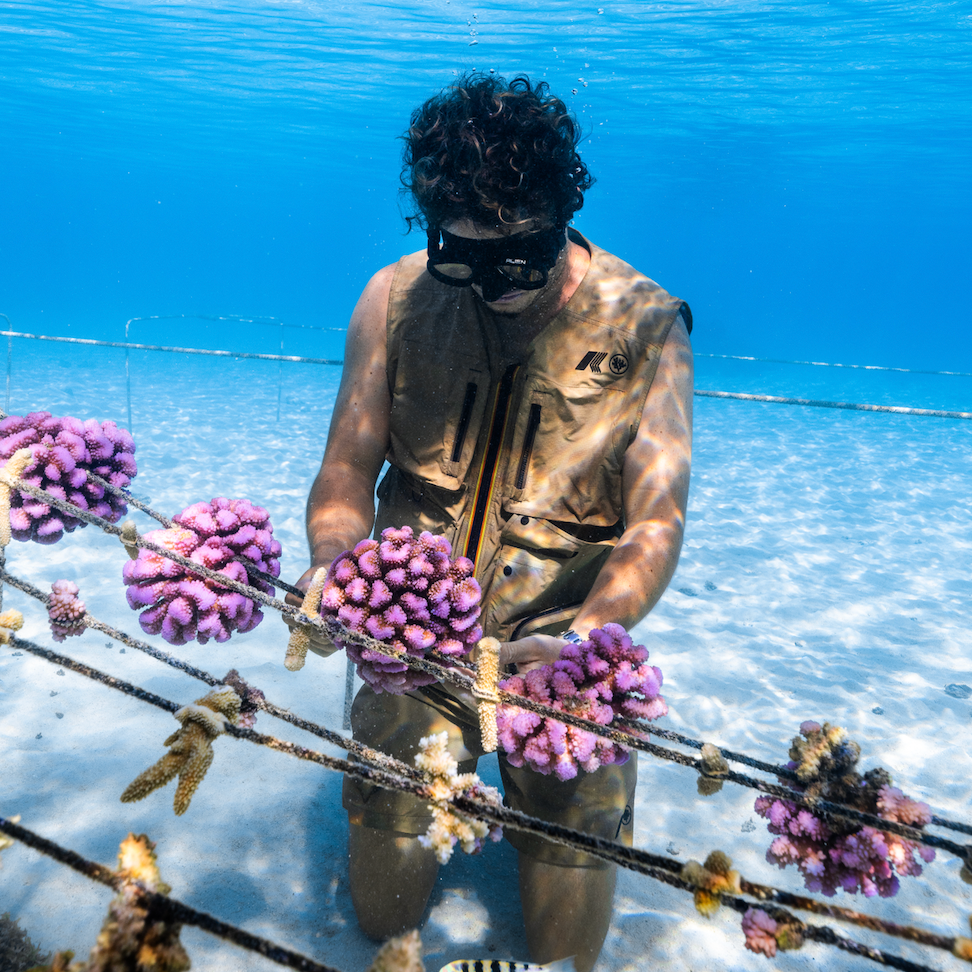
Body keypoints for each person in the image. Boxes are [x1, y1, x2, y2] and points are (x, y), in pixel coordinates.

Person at [287, 72, 693, 972]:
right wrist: (330, 566)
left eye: (519, 257)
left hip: (562, 657)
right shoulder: (391, 299)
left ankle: (550, 806)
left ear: (564, 208)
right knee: (377, 929)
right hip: (417, 647)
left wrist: (591, 639)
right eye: (460, 257)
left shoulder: (650, 326)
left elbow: (655, 524)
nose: (492, 284)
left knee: (563, 948)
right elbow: (347, 470)